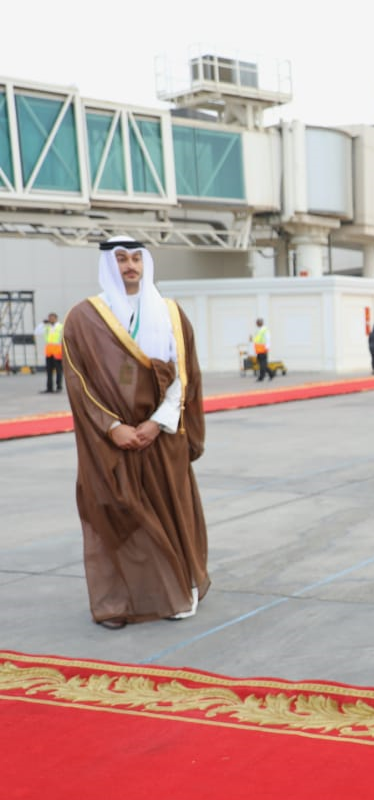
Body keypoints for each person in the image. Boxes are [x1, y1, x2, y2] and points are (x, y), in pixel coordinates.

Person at [61, 236, 209, 629]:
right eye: (122, 259)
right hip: (114, 442)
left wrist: (156, 422)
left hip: (162, 436)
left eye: (136, 259)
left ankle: (178, 588)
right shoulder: (84, 318)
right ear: (108, 264)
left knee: (170, 513)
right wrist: (112, 427)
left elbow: (185, 376)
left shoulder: (170, 313)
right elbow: (78, 381)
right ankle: (129, 594)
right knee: (120, 514)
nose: (130, 266)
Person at [37, 312, 64, 393]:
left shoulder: (61, 327)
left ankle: (59, 387)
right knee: (49, 371)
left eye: (52, 318)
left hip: (57, 352)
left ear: (56, 318)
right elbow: (37, 332)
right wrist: (42, 324)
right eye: (49, 318)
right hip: (49, 352)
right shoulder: (47, 327)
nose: (50, 320)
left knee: (58, 370)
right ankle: (49, 388)